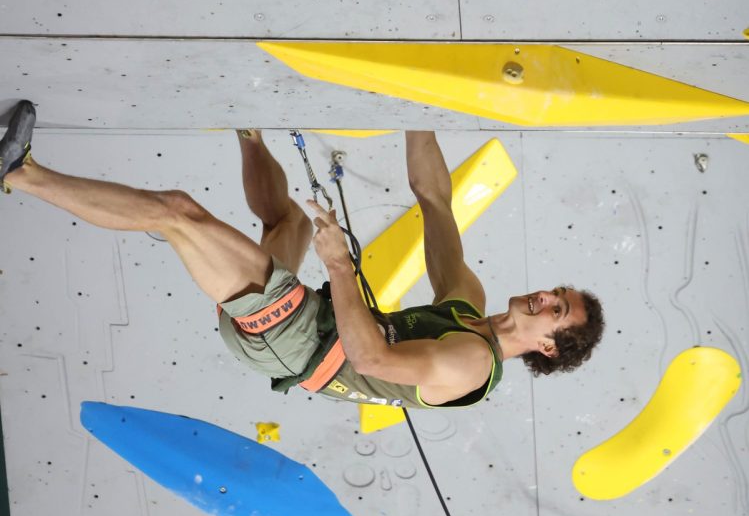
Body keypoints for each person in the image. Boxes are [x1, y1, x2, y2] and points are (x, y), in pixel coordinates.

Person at [1, 101, 604, 410]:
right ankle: (248, 130)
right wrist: (419, 111)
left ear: (548, 345)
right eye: (557, 292)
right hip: (306, 324)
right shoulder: (467, 306)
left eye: (556, 311)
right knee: (283, 218)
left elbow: (368, 354)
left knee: (178, 213)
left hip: (296, 343)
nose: (545, 296)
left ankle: (19, 174)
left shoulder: (471, 365)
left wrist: (338, 262)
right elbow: (434, 200)